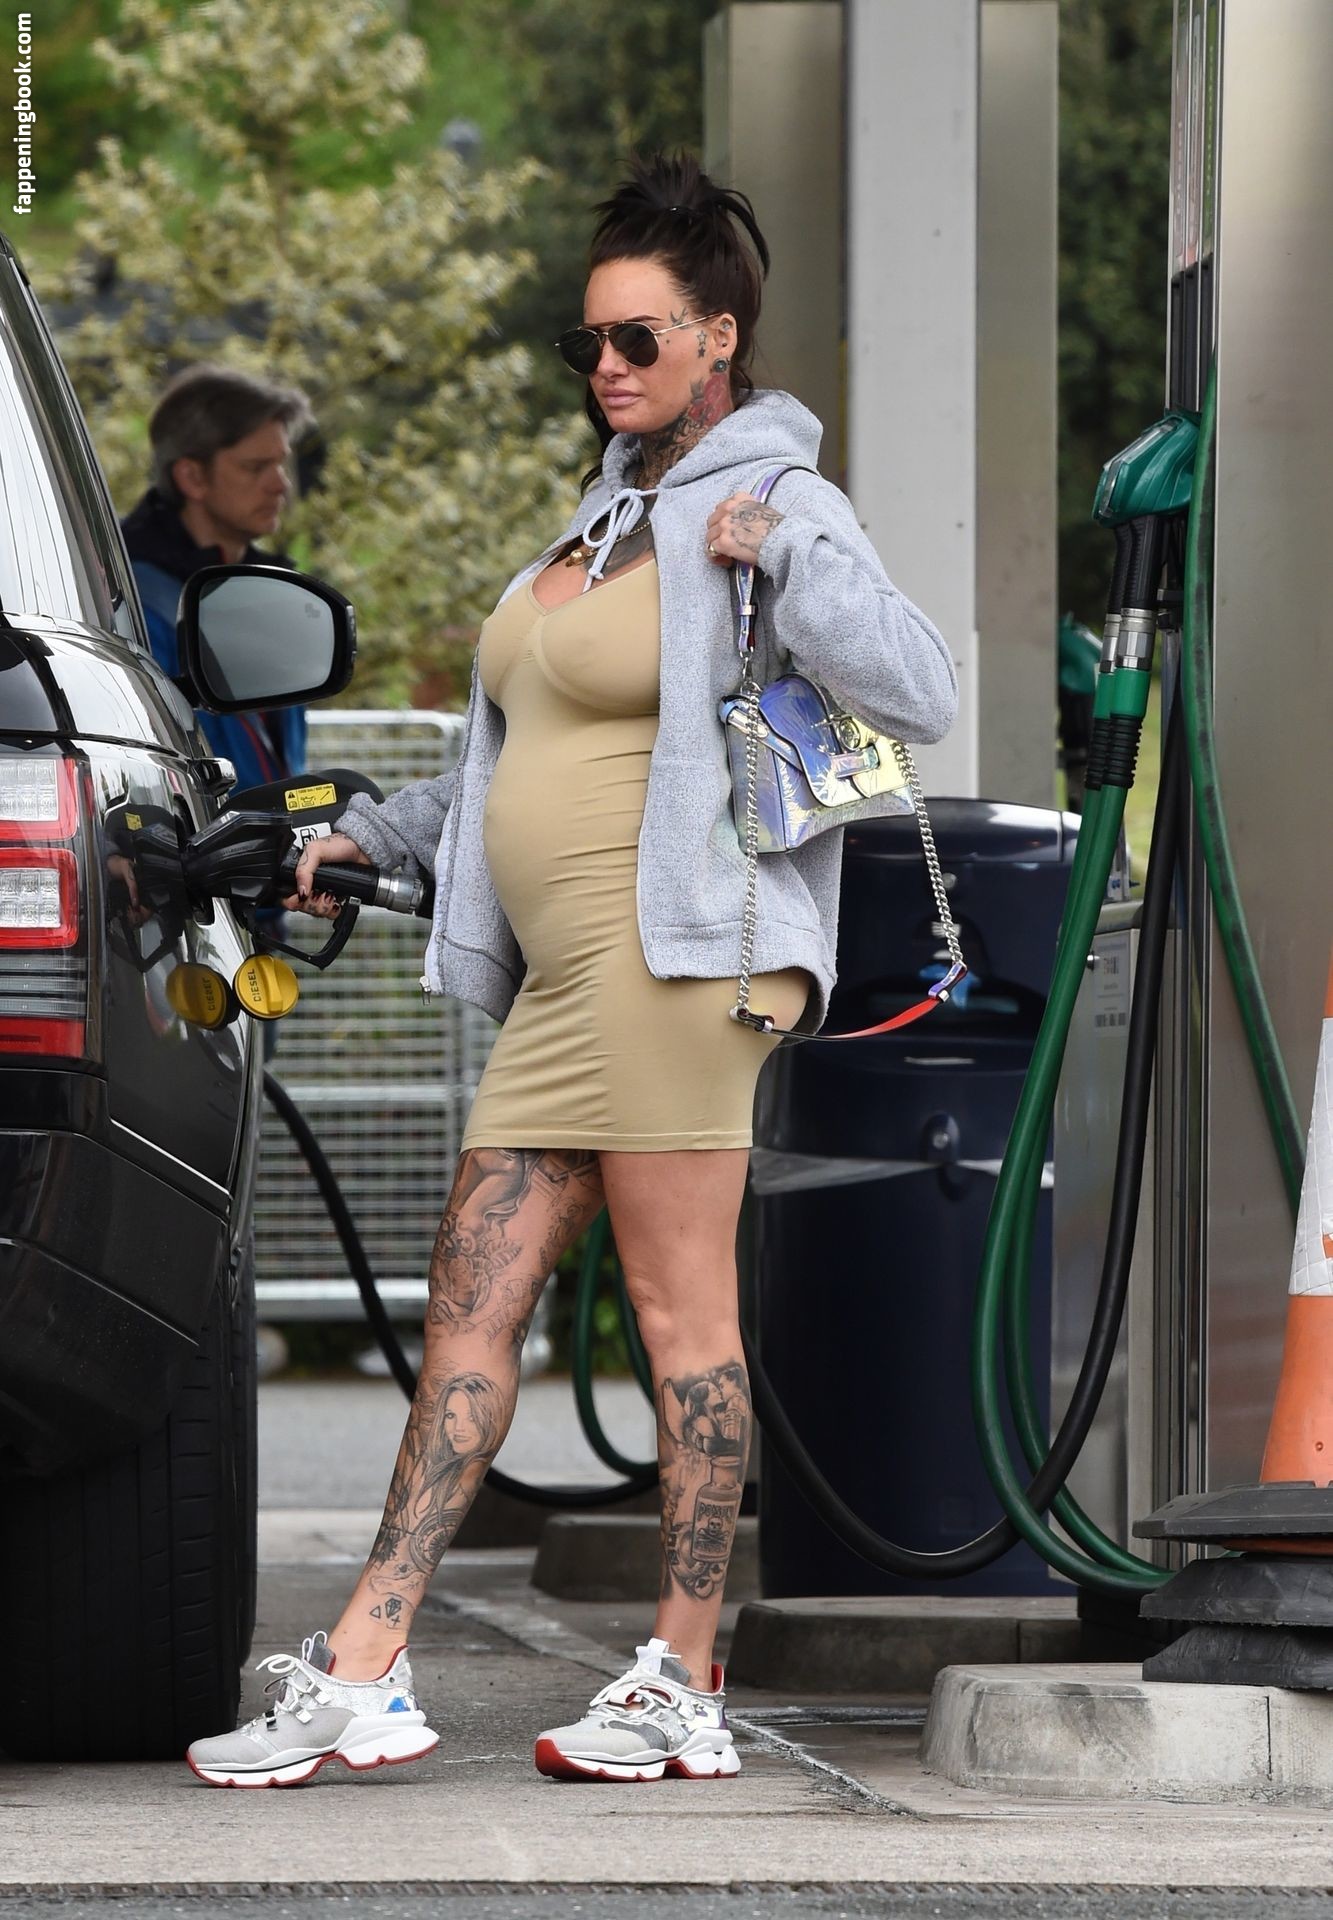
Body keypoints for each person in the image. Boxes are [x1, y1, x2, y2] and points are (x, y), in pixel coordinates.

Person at [186, 152, 958, 1791]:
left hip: (685, 963)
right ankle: (366, 1668)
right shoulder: (599, 517)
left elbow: (918, 688)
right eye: (585, 343)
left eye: (635, 339)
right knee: (469, 1309)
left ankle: (683, 1675)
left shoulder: (779, 500)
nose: (604, 367)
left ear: (715, 338)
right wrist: (367, 836)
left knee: (683, 1317)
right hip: (563, 981)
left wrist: (783, 553)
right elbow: (508, 759)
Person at [121, 362, 313, 791]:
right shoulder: (123, 594)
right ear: (191, 476)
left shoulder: (272, 590)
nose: (280, 485)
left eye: (280, 464)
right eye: (256, 467)